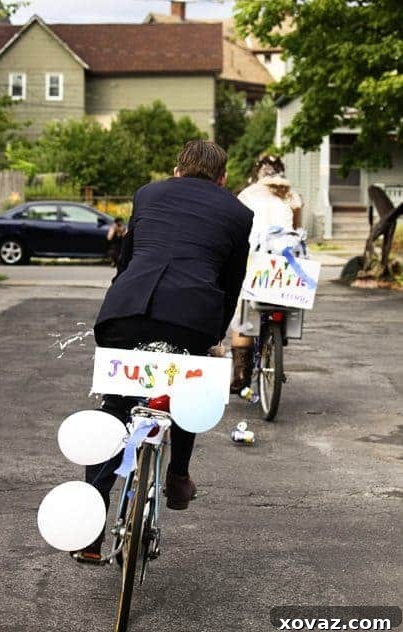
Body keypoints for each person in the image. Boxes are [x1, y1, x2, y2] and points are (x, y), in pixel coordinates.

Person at [81, 140, 253, 559]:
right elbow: (232, 284)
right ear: (222, 177)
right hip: (192, 318)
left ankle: (89, 530)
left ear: (177, 170)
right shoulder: (238, 213)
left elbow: (128, 259)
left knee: (117, 406)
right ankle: (177, 477)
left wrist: (118, 303)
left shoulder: (148, 194)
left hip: (125, 311)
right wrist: (213, 334)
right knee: (189, 390)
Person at [230, 155, 303, 394]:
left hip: (256, 260)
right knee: (283, 304)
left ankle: (241, 375)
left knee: (243, 315)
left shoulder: (246, 195)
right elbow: (298, 230)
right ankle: (276, 345)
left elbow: (237, 228)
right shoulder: (292, 196)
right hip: (285, 263)